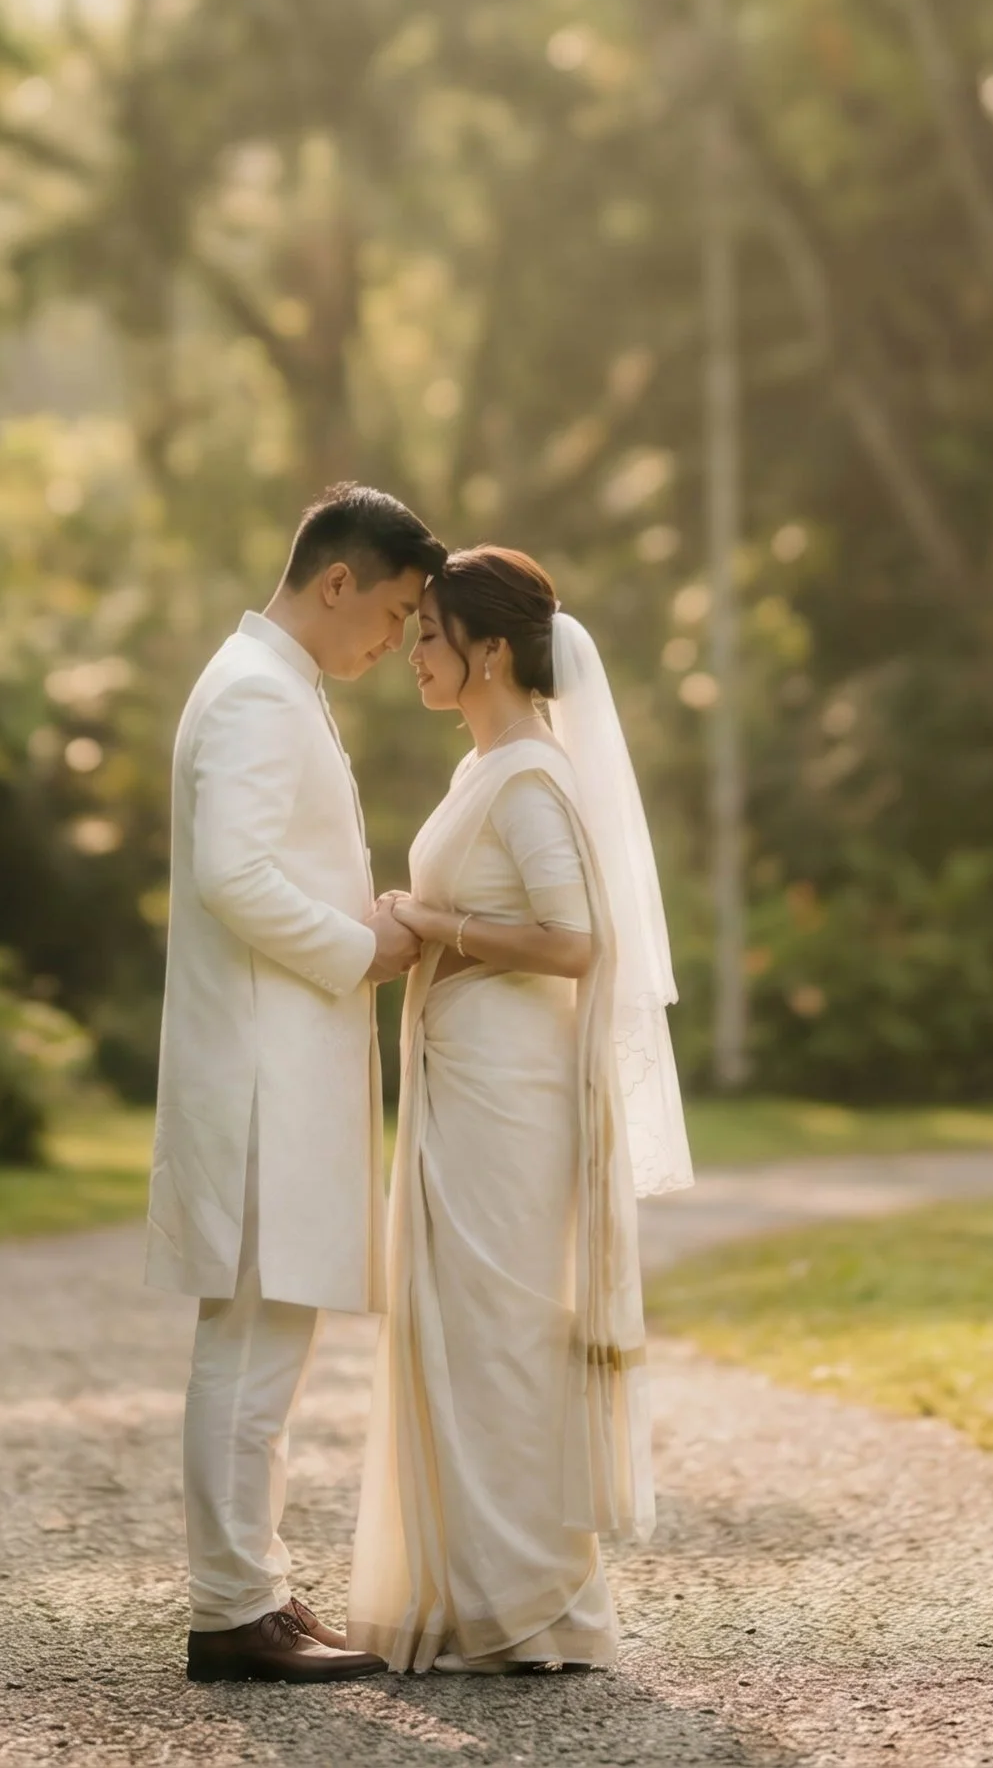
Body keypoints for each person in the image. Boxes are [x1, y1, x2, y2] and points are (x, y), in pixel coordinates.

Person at [348, 545, 692, 1675]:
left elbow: (576, 938)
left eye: (432, 634)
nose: (413, 652)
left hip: (510, 1089)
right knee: (455, 1325)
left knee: (499, 1332)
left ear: (491, 649)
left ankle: (530, 1601)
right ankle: (462, 1594)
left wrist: (434, 926)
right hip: (465, 1075)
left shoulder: (532, 775)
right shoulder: (483, 767)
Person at [148, 479, 446, 1684]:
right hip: (264, 1071)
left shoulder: (272, 683)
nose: (398, 638)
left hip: (277, 1060)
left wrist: (351, 924)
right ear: (339, 581)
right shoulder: (260, 694)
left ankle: (252, 1586)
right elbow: (234, 874)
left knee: (267, 1335)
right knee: (253, 1338)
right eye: (396, 611)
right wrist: (360, 945)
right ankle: (231, 1610)